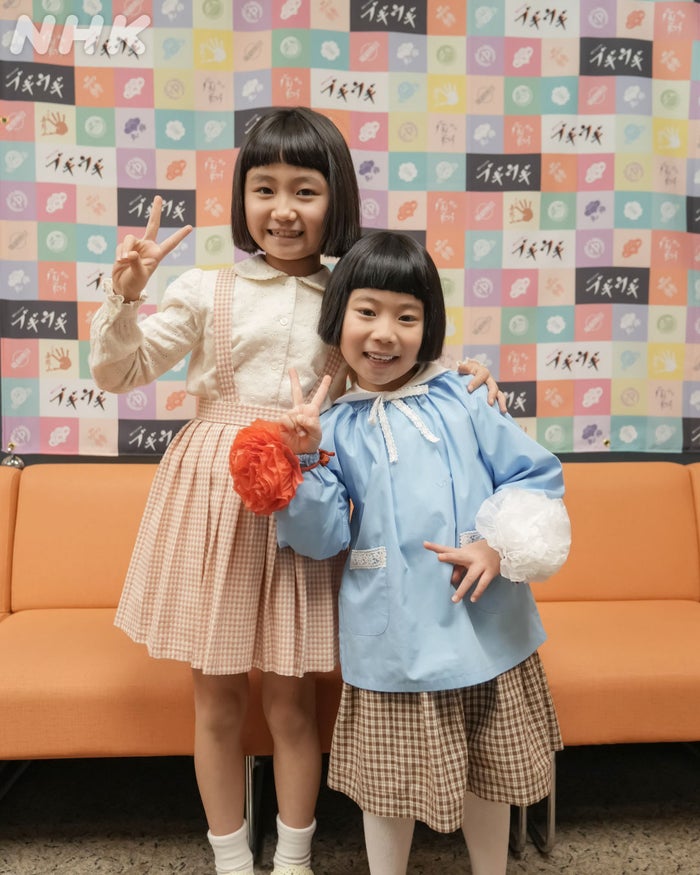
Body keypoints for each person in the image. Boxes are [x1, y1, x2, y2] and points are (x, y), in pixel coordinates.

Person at [89, 108, 500, 875]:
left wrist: (465, 374)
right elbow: (118, 372)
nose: (283, 209)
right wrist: (125, 298)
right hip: (211, 498)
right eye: (265, 188)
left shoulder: (351, 291)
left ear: (335, 197)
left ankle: (294, 859)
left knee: (292, 700)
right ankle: (230, 859)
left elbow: (399, 364)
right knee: (216, 699)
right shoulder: (205, 288)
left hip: (306, 501)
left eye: (305, 190)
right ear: (242, 197)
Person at [272, 231, 571, 875]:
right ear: (338, 317)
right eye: (367, 311)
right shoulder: (336, 426)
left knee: (490, 775)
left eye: (407, 317)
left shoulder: (465, 398)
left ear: (428, 327)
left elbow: (535, 475)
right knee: (388, 790)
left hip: (485, 627)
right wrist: (304, 459)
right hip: (394, 640)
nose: (385, 333)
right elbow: (321, 538)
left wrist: (497, 544)